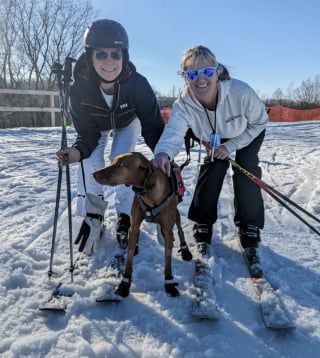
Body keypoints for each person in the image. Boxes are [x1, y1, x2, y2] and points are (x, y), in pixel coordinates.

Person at [153, 45, 268, 277]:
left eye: (206, 72)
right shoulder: (184, 104)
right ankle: (202, 221)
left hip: (246, 131)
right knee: (213, 168)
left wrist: (231, 146)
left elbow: (260, 122)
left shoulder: (240, 92)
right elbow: (173, 134)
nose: (201, 79)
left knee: (246, 169)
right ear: (185, 78)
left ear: (217, 72)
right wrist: (163, 154)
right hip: (214, 137)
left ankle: (249, 224)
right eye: (192, 74)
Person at [56, 19, 164, 255]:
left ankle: (125, 216)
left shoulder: (138, 85)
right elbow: (87, 134)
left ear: (124, 56)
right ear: (90, 57)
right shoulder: (79, 89)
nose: (109, 61)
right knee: (90, 161)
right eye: (101, 54)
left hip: (128, 123)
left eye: (115, 54)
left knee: (121, 159)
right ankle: (94, 214)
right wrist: (76, 152)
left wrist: (163, 154)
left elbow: (154, 127)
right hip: (96, 127)